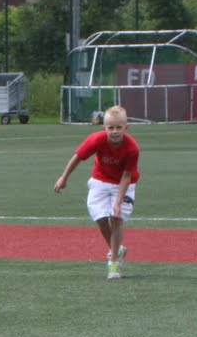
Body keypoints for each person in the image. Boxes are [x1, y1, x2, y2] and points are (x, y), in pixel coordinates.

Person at [53, 104, 141, 281]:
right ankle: (118, 250)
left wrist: (117, 203)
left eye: (119, 127)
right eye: (111, 127)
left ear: (126, 127)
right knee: (101, 218)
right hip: (100, 182)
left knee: (116, 218)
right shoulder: (96, 139)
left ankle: (113, 263)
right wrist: (64, 177)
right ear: (104, 128)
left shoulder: (132, 148)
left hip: (123, 184)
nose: (115, 131)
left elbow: (126, 176)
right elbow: (78, 157)